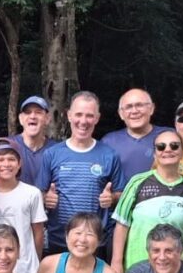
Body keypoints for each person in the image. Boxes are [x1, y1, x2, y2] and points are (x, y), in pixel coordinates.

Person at [35, 91, 125, 259]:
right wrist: (46, 198)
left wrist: (111, 198)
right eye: (78, 114)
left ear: (97, 118)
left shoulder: (109, 155)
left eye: (89, 116)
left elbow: (121, 195)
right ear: (69, 115)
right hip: (60, 240)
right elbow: (38, 193)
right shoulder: (52, 154)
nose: (83, 121)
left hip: (95, 241)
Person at [110, 130, 183, 273]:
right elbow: (122, 224)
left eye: (174, 146)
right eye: (161, 146)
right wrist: (116, 263)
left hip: (175, 270)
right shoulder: (137, 181)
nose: (167, 150)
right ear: (155, 153)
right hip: (137, 268)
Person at [0, 138, 46, 273]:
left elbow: (38, 232)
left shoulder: (32, 193)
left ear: (20, 163)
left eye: (11, 159)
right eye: (0, 160)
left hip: (26, 269)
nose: (6, 164)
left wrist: (35, 261)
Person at [101, 88, 171, 179]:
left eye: (139, 105)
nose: (134, 111)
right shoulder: (109, 142)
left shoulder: (170, 136)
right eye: (128, 107)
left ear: (151, 108)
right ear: (121, 113)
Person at [7, 96, 55, 187]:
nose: (32, 116)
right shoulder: (8, 146)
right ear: (21, 119)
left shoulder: (56, 150)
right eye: (28, 112)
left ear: (47, 119)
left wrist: (54, 194)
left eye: (38, 112)